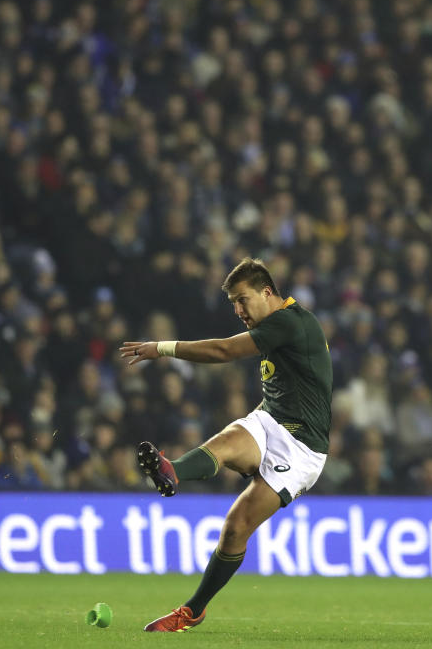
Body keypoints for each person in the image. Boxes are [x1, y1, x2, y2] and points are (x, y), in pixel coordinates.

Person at [120, 257, 332, 632]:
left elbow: (223, 352)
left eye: (242, 300)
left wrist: (162, 348)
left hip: (302, 448)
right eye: (233, 302)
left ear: (268, 293)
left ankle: (194, 610)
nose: (237, 310)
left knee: (236, 528)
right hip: (270, 419)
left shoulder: (290, 322)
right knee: (231, 439)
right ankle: (172, 471)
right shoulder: (276, 323)